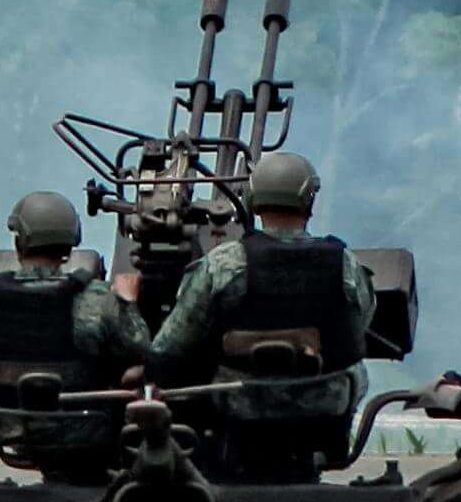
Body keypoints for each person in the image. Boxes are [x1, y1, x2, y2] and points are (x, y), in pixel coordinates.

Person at [140, 150, 375, 483]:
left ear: (251, 197)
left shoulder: (223, 265)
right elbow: (358, 328)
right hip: (323, 403)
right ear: (309, 200)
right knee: (357, 369)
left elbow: (170, 346)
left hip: (238, 403)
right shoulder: (345, 264)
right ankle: (327, 446)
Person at [0, 186, 153, 480]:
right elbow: (142, 347)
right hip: (84, 427)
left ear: (20, 240)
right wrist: (126, 302)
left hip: (4, 425)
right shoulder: (98, 299)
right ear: (70, 244)